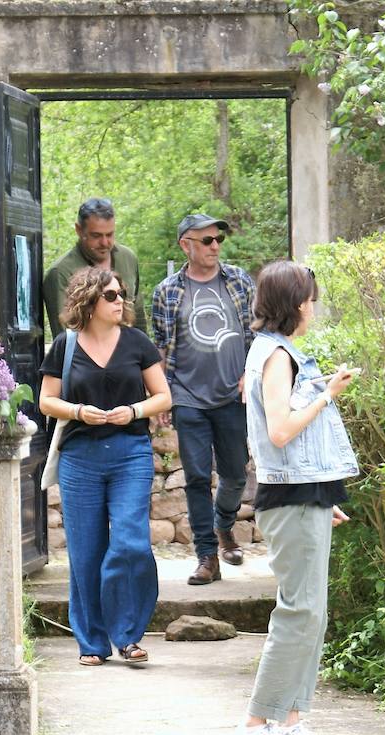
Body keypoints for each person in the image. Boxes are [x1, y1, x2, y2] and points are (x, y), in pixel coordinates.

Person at [232, 261, 360, 735]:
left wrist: (321, 498)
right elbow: (281, 431)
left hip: (303, 494)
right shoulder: (276, 356)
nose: (313, 306)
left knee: (313, 613)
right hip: (288, 497)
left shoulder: (277, 352)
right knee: (298, 611)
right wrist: (328, 395)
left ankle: (290, 721)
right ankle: (255, 723)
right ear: (295, 304)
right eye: (309, 298)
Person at [39, 266, 171, 666]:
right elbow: (47, 401)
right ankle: (92, 642)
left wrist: (133, 410)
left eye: (122, 294)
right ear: (89, 301)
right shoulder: (65, 344)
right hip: (80, 460)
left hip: (130, 453)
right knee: (85, 553)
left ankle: (128, 635)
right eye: (112, 296)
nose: (121, 302)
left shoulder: (137, 342)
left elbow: (163, 397)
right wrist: (80, 411)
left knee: (130, 542)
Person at [151, 214, 255, 586]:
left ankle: (224, 524)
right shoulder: (167, 291)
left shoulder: (239, 281)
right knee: (196, 478)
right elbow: (161, 348)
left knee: (235, 474)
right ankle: (207, 555)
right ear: (186, 245)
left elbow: (256, 334)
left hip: (232, 394)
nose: (214, 246)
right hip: (187, 396)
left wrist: (249, 374)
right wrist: (162, 395)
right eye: (206, 240)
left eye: (218, 240)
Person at [44, 197, 144, 337]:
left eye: (109, 235)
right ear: (79, 230)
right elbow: (66, 335)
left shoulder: (127, 259)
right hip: (86, 356)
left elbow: (138, 318)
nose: (104, 242)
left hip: (130, 354)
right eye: (96, 236)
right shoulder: (61, 273)